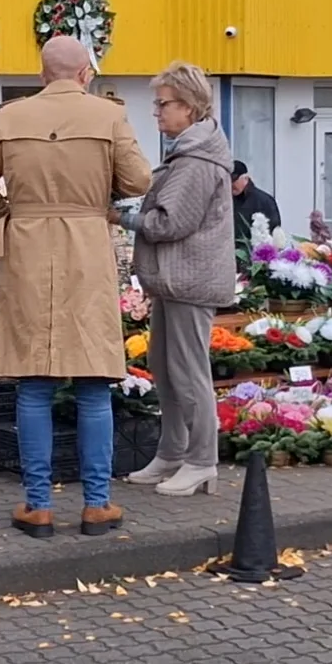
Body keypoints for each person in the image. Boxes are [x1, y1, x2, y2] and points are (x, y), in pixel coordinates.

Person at [0, 35, 152, 539]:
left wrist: (10, 218)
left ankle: (38, 505)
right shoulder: (109, 116)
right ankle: (97, 504)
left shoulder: (8, 117)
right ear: (86, 73)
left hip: (27, 248)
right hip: (87, 249)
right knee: (93, 382)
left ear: (43, 73)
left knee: (33, 383)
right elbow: (139, 181)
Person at [119, 62, 235, 497]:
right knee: (165, 369)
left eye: (163, 104)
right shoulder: (188, 153)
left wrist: (123, 217)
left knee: (188, 372)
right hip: (173, 280)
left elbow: (170, 223)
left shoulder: (197, 160)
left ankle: (202, 460)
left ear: (188, 107)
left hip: (191, 280)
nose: (157, 113)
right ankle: (172, 453)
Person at [230, 161, 281, 244]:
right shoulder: (224, 201)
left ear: (246, 178)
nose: (230, 184)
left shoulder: (264, 201)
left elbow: (273, 231)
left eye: (233, 180)